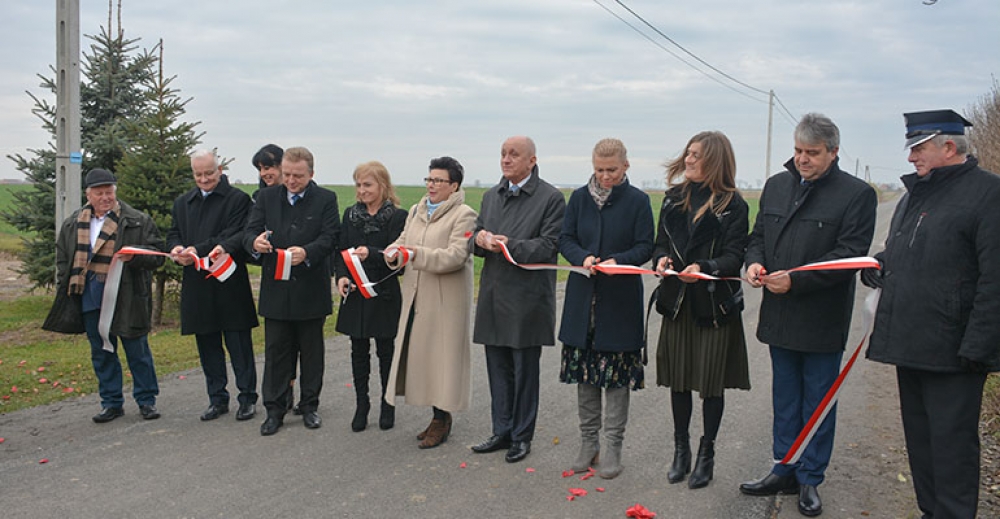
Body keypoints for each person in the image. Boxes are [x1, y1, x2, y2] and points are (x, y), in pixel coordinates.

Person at [863, 109, 1000, 519]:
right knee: (922, 446)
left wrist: (977, 348)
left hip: (955, 354)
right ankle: (929, 511)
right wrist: (880, 266)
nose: (910, 158)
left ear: (949, 146)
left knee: (952, 450)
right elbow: (917, 251)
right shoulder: (915, 194)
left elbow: (994, 279)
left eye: (918, 148)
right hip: (911, 345)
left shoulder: (989, 194)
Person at [740, 113, 877, 517]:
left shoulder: (856, 195)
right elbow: (758, 238)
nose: (802, 159)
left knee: (818, 401)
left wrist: (796, 282)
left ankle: (811, 479)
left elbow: (848, 256)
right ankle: (784, 467)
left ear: (833, 153)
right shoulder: (776, 186)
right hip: (779, 316)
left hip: (821, 318)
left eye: (812, 153)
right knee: (785, 398)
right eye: (798, 150)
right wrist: (754, 263)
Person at [653, 131, 751, 489]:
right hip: (677, 301)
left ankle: (706, 454)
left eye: (697, 155)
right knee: (678, 380)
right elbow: (660, 242)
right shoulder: (672, 199)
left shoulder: (733, 205)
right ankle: (681, 451)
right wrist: (661, 258)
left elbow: (734, 256)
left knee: (710, 384)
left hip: (712, 305)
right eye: (688, 153)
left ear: (715, 161)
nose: (689, 160)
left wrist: (705, 267)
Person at [558, 138, 654, 479]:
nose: (604, 176)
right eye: (599, 169)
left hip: (619, 302)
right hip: (583, 301)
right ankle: (589, 443)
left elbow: (646, 246)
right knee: (585, 377)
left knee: (615, 379)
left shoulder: (639, 201)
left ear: (625, 166)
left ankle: (613, 445)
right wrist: (580, 257)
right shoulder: (579, 198)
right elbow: (565, 238)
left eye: (611, 169)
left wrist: (620, 261)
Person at [470, 136, 566, 463]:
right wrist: (480, 238)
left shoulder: (551, 198)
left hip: (528, 298)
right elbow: (476, 236)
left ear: (532, 160)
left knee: (525, 372)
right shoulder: (490, 196)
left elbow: (549, 245)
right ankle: (501, 430)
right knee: (497, 367)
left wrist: (509, 245)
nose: (506, 159)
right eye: (503, 154)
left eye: (514, 154)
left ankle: (522, 437)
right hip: (494, 294)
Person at [44, 168, 165, 423]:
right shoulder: (73, 223)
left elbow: (158, 257)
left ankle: (146, 401)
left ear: (115, 191)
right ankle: (111, 402)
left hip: (128, 296)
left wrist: (136, 258)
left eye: (109, 192)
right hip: (89, 296)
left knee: (137, 350)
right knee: (101, 352)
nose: (105, 198)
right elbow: (64, 259)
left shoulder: (137, 220)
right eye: (99, 193)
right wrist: (64, 286)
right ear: (89, 194)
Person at [243, 146, 340, 436]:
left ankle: (309, 405)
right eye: (287, 174)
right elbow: (250, 231)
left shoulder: (325, 199)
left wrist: (307, 252)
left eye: (298, 176)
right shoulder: (266, 197)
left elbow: (331, 236)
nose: (291, 181)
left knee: (311, 353)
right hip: (276, 290)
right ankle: (274, 409)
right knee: (275, 353)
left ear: (311, 174)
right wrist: (255, 243)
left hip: (311, 289)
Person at [383, 156, 477, 449]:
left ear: (454, 185)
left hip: (446, 299)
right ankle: (436, 415)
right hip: (417, 296)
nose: (432, 185)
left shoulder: (464, 215)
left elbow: (455, 256)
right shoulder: (416, 210)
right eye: (429, 179)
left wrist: (414, 254)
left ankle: (443, 418)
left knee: (443, 360)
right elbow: (402, 239)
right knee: (423, 357)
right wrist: (393, 252)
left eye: (438, 180)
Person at [169, 149, 259, 422]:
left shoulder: (237, 200)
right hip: (197, 283)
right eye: (199, 174)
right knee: (207, 345)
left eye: (209, 173)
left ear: (219, 171)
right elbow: (174, 232)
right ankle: (217, 398)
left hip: (229, 282)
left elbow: (233, 234)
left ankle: (247, 398)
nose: (204, 179)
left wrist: (199, 248)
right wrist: (176, 250)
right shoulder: (183, 202)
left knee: (239, 344)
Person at [333, 161, 407, 432]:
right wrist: (341, 276)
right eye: (358, 185)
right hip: (355, 294)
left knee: (386, 352)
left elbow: (400, 259)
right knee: (358, 351)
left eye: (367, 184)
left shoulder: (399, 217)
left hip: (384, 292)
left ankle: (387, 405)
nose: (361, 190)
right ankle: (361, 405)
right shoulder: (350, 214)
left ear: (382, 186)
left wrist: (372, 253)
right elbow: (341, 251)